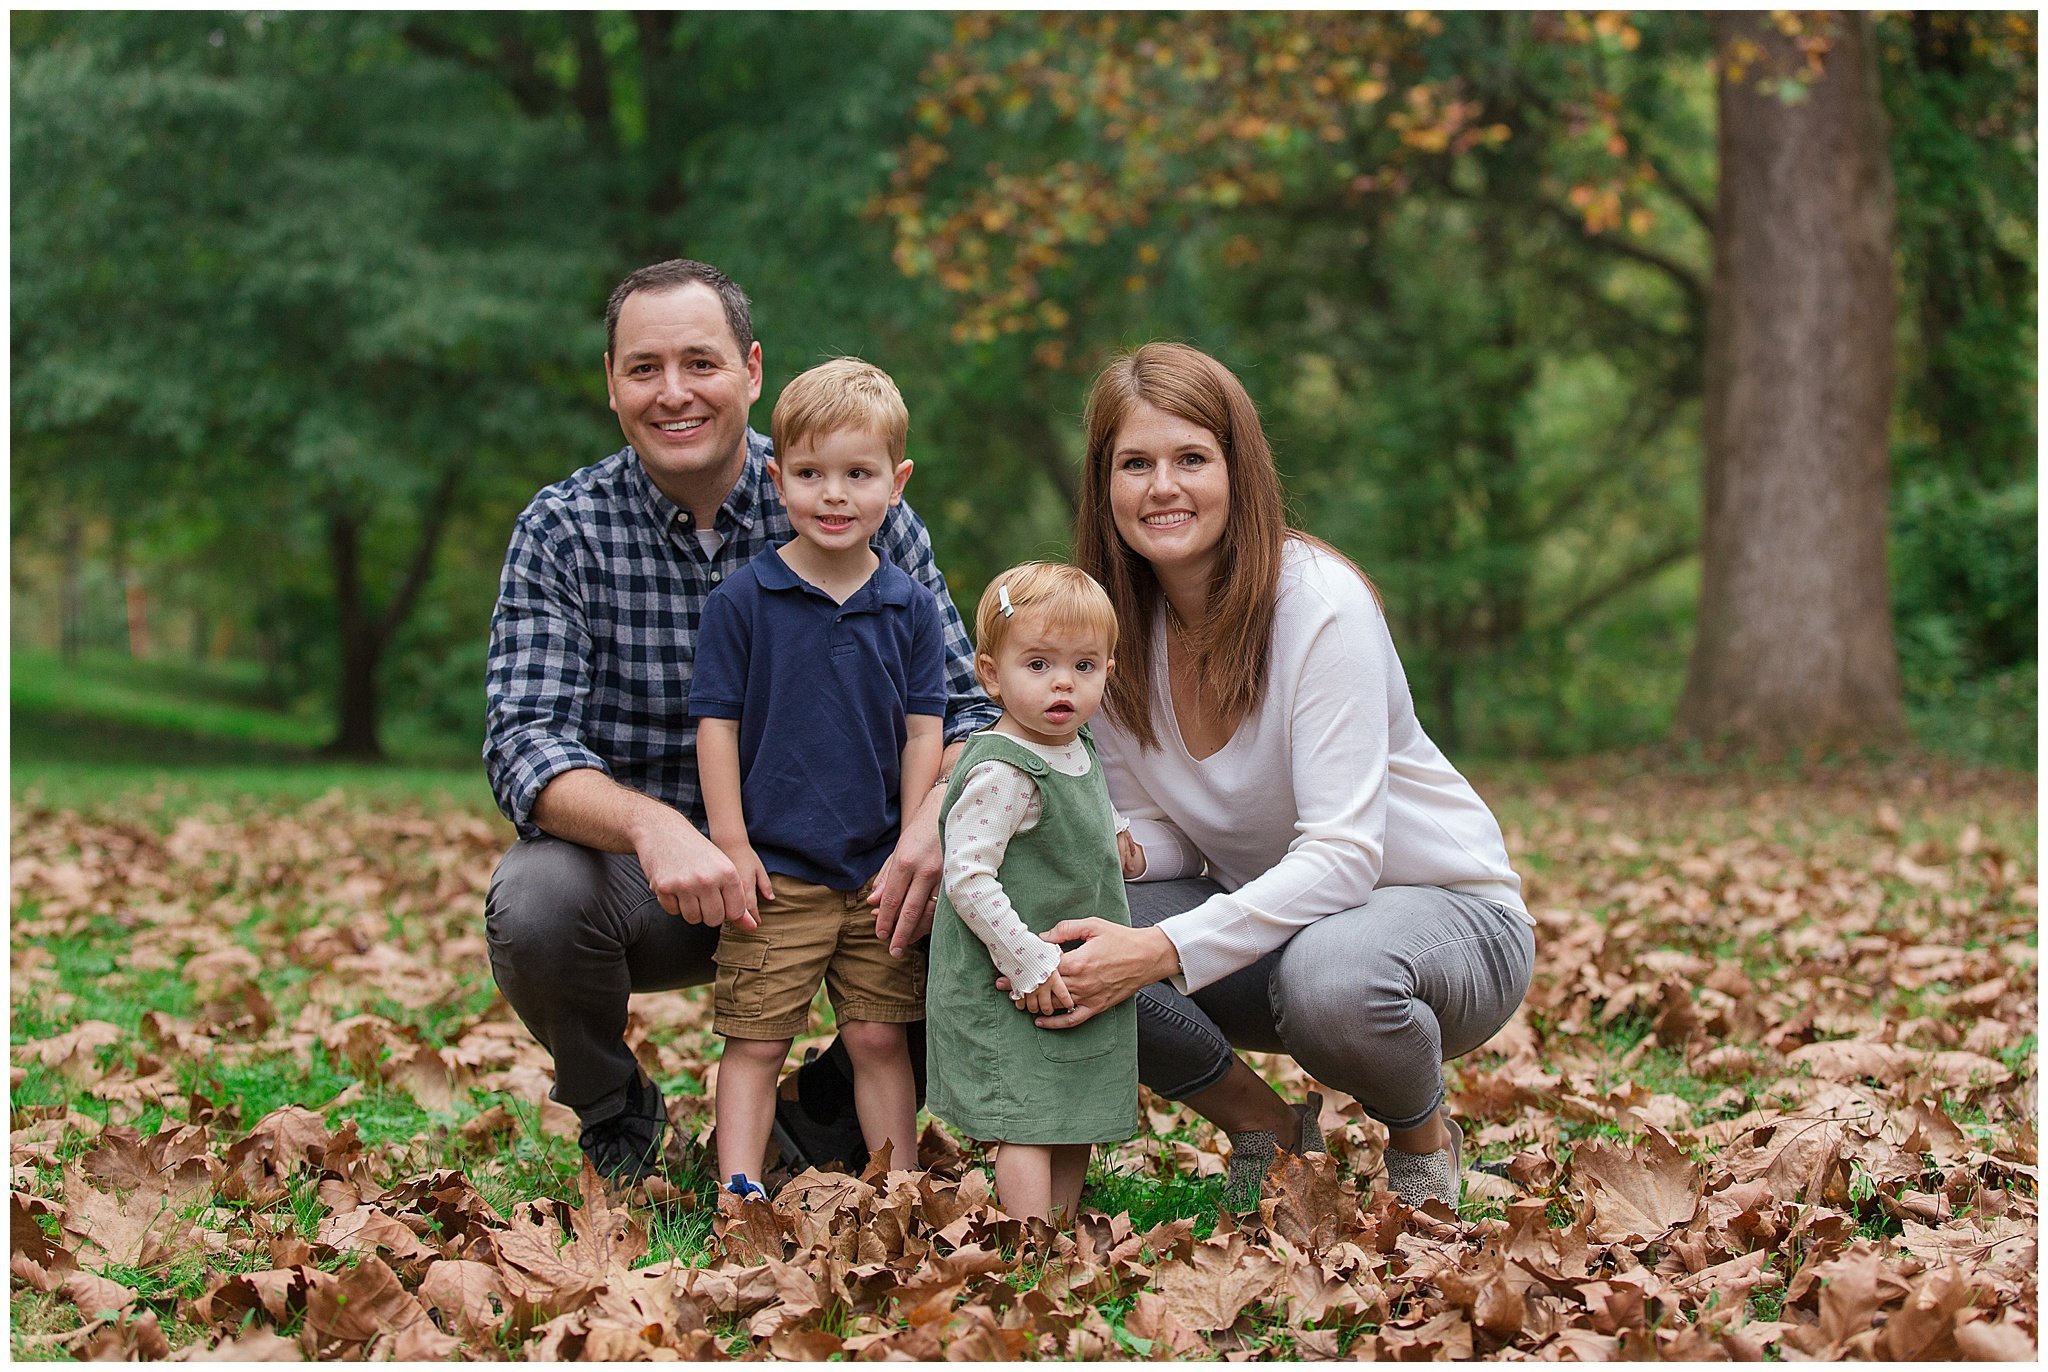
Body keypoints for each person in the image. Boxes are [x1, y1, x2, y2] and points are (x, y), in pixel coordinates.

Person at [483, 260, 999, 1185]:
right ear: (611, 383)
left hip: (852, 872)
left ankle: (824, 1117)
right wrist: (655, 826)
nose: (673, 392)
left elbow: (964, 708)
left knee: (991, 870)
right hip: (659, 885)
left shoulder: (862, 508)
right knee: (538, 902)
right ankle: (616, 1116)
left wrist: (926, 829)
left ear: (752, 370)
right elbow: (526, 740)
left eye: (700, 363)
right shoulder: (563, 529)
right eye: (643, 368)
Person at [1007, 341, 1536, 1213]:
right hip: (1275, 927)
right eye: (1134, 463)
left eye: (1191, 459)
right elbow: (1177, 829)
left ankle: (1422, 1147)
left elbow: (1343, 857)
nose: (1161, 487)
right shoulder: (1105, 633)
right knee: (1050, 920)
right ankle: (1269, 1128)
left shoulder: (1318, 605)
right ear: (1103, 486)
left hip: (1444, 926)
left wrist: (1164, 947)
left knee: (1333, 979)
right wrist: (1116, 853)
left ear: (1237, 470)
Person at [692, 358, 943, 1201]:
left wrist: (913, 836)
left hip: (875, 871)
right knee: (757, 1040)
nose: (833, 495)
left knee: (878, 1037)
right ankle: (739, 1185)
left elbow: (924, 732)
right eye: (809, 474)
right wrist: (729, 839)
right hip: (778, 871)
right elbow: (717, 725)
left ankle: (898, 1185)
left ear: (896, 483)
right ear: (778, 479)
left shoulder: (908, 605)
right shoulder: (744, 601)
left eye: (858, 475)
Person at [925, 564, 1143, 1223]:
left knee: (1072, 1107)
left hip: (1074, 970)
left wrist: (1119, 837)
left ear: (1108, 670)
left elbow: (1081, 810)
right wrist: (1025, 959)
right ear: (992, 675)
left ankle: (1060, 1226)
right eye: (1039, 664)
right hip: (1013, 970)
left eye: (1083, 666)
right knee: (1024, 1115)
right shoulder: (1000, 768)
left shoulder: (1073, 746)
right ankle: (1028, 1241)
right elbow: (967, 876)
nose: (1062, 683)